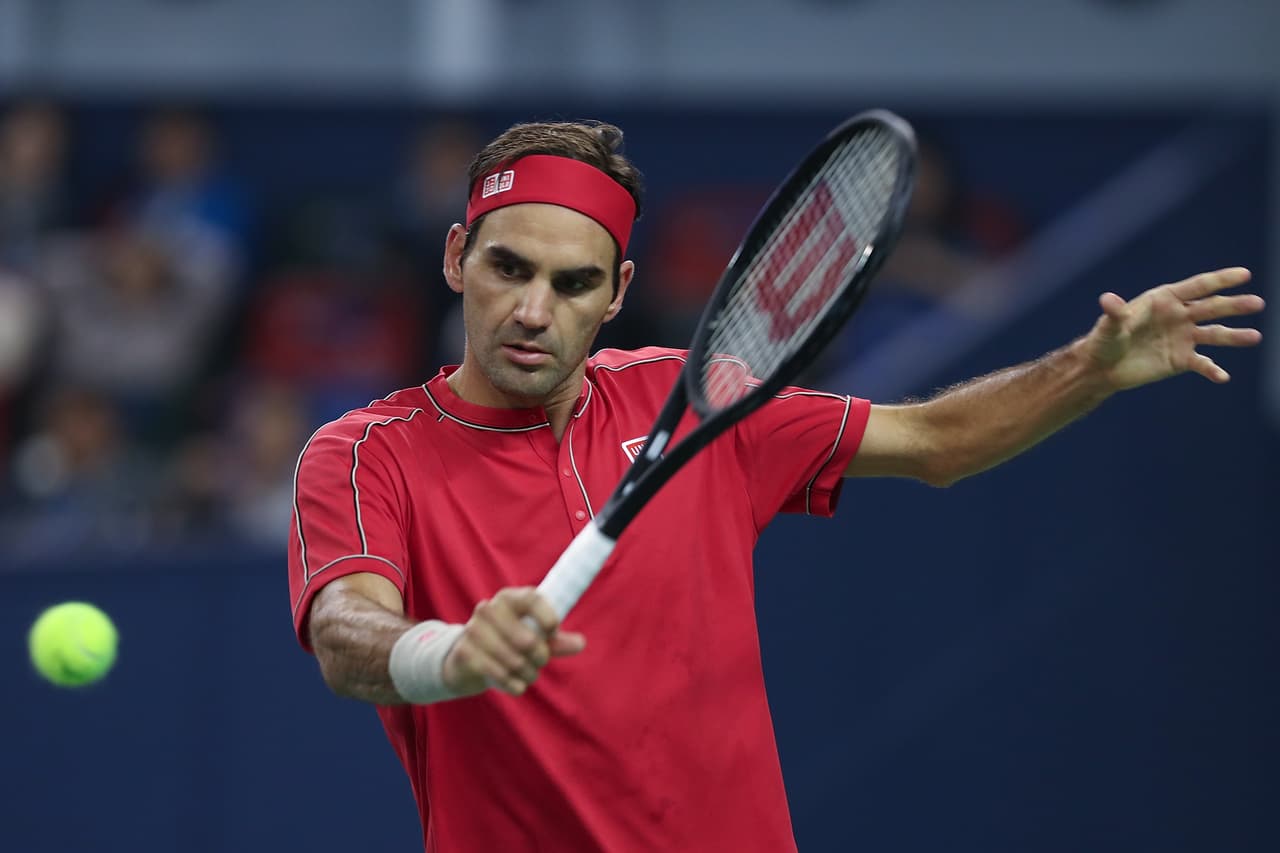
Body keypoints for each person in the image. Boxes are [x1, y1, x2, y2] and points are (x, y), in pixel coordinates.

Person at [287, 120, 1264, 852]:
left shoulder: (698, 398)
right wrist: (451, 651)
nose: (534, 309)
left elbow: (932, 440)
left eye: (573, 282)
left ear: (617, 291)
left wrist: (1086, 368)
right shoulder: (366, 451)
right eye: (508, 267)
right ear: (458, 258)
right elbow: (345, 633)